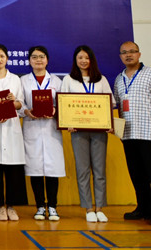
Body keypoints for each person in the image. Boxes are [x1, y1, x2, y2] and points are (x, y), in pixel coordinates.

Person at [113, 41, 151, 226]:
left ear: (139, 54)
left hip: (149, 133)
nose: (128, 55)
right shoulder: (119, 79)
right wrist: (118, 130)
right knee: (137, 175)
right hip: (128, 134)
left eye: (132, 51)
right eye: (124, 52)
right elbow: (119, 105)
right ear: (120, 56)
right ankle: (143, 208)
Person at [60, 45, 112, 222]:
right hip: (78, 132)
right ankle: (89, 208)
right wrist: (68, 122)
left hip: (99, 132)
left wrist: (108, 123)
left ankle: (100, 208)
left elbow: (109, 103)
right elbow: (63, 104)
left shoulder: (101, 79)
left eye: (86, 58)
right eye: (80, 58)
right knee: (82, 170)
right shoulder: (69, 79)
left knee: (99, 170)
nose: (83, 61)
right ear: (75, 60)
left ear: (92, 60)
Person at [0, 44, 27, 221]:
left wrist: (13, 101)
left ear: (7, 58)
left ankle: (11, 206)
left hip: (11, 128)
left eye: (2, 56)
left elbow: (20, 104)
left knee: (13, 169)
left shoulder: (15, 79)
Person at [21, 45, 64, 221]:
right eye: (34, 57)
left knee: (53, 168)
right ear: (29, 61)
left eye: (41, 56)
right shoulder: (23, 80)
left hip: (51, 128)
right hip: (31, 126)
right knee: (35, 168)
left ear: (47, 60)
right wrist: (26, 111)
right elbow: (20, 102)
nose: (38, 60)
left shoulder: (56, 81)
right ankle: (39, 206)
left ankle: (52, 206)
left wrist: (55, 110)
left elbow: (63, 103)